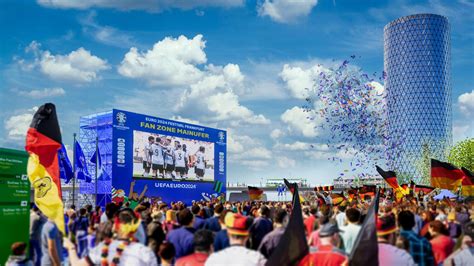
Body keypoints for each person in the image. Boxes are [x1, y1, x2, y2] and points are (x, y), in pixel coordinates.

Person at [64, 208, 158, 266]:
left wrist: (71, 247)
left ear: (116, 226)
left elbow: (77, 264)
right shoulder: (145, 252)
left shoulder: (104, 247)